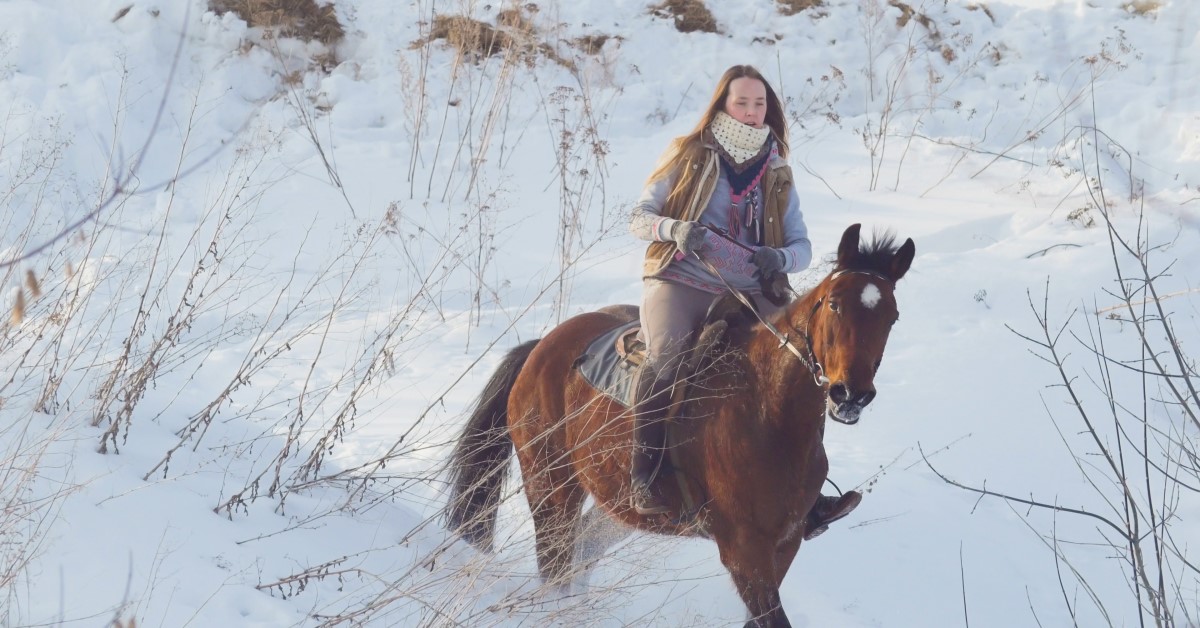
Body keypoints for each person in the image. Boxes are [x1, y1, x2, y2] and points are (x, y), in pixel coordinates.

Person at [627, 65, 860, 535]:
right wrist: (673, 229)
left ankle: (808, 494)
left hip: (751, 289)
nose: (752, 113)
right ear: (722, 106)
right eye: (742, 103)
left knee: (800, 364)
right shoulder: (688, 153)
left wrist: (780, 257)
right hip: (683, 277)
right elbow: (638, 216)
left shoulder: (777, 169)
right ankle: (645, 477)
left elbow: (803, 247)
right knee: (667, 359)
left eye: (760, 105)